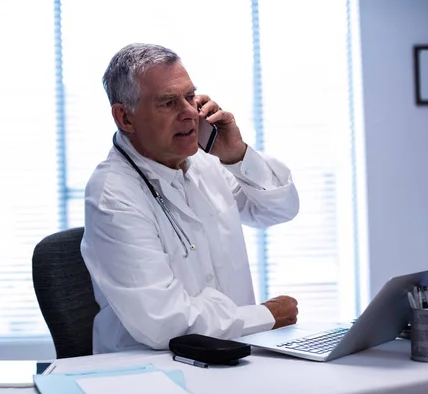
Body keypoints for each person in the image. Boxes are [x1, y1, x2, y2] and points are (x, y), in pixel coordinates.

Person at [81, 43, 300, 354]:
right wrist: (264, 316)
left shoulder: (206, 161)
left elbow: (279, 210)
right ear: (125, 118)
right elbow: (164, 323)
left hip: (233, 353)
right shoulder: (112, 196)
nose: (188, 113)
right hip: (152, 373)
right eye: (168, 103)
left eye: (189, 97)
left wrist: (237, 155)